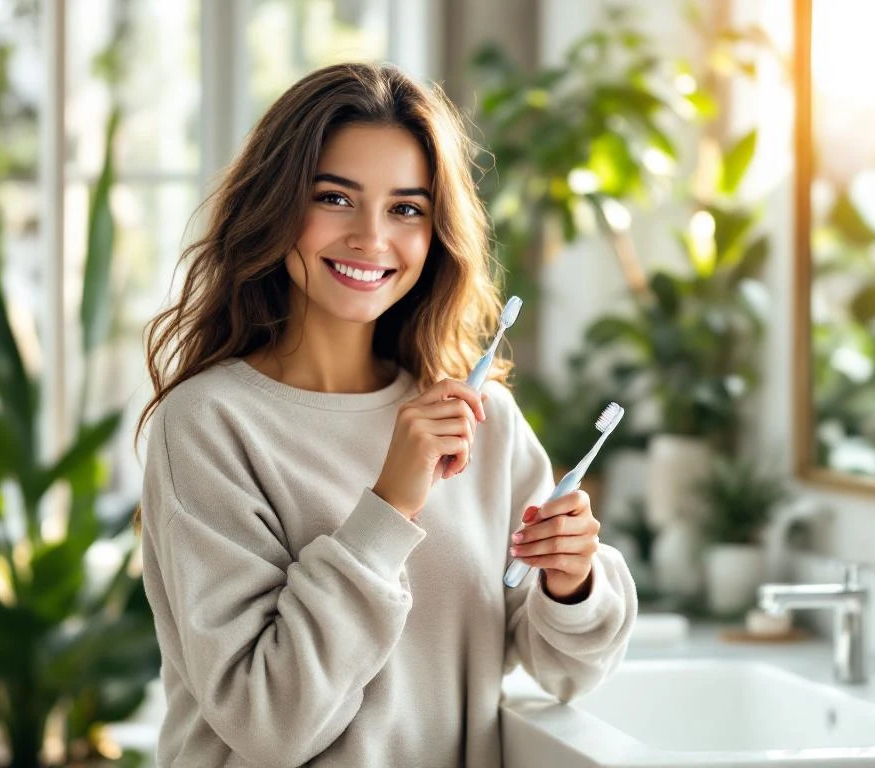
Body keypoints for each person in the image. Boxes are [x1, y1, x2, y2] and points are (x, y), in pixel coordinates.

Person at [136, 61, 637, 768]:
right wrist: (391, 502)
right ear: (277, 206)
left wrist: (571, 579)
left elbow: (569, 672)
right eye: (335, 198)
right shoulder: (209, 424)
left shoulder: (480, 418)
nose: (372, 238)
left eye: (407, 208)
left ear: (436, 234)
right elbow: (270, 724)